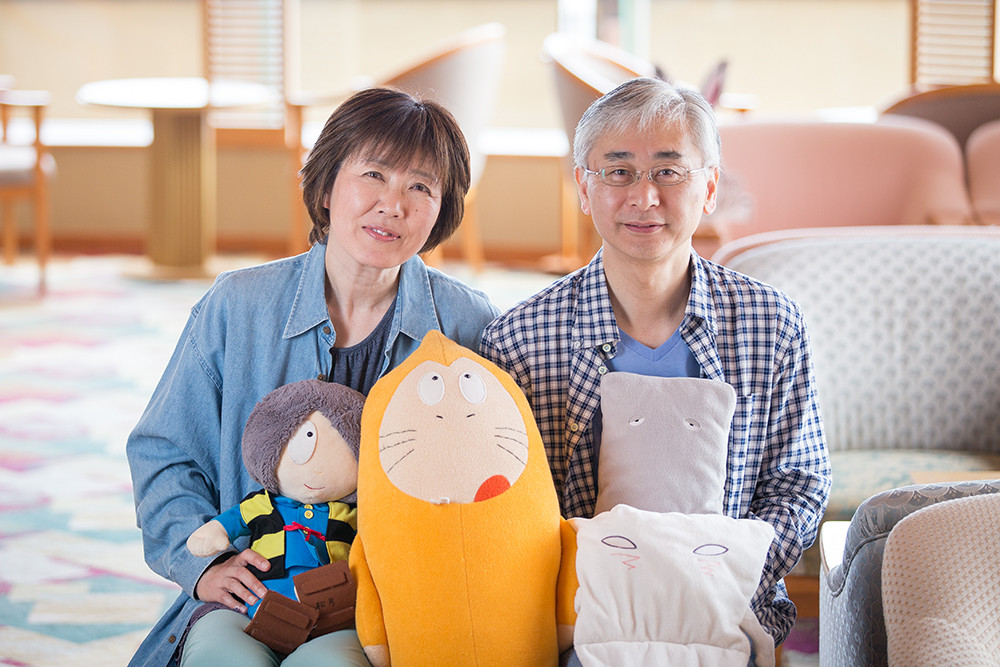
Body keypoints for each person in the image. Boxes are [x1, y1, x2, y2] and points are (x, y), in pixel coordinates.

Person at [126, 86, 500, 667]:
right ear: (325, 187)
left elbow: (496, 487)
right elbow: (165, 451)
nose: (393, 205)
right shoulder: (238, 306)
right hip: (248, 591)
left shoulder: (468, 325)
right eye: (373, 175)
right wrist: (205, 565)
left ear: (442, 210)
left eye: (420, 187)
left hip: (382, 609)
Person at [479, 77, 831, 654]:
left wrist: (720, 576)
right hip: (579, 620)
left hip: (729, 613)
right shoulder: (518, 340)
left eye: (669, 171)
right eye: (618, 172)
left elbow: (798, 483)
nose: (644, 197)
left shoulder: (772, 324)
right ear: (583, 187)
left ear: (710, 187)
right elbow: (508, 510)